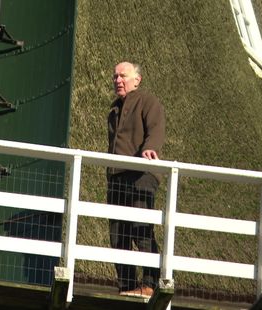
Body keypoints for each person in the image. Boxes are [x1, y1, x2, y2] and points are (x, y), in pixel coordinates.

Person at [107, 61, 165, 298]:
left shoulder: (147, 101)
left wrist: (149, 148)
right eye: (115, 77)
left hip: (141, 174)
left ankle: (150, 284)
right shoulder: (114, 109)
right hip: (117, 176)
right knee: (118, 233)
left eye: (123, 76)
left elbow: (156, 128)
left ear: (137, 79)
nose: (118, 80)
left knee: (141, 229)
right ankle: (128, 285)